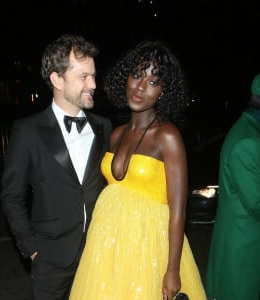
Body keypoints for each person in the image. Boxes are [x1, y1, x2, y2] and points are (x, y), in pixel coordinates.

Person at [69, 40, 206, 300]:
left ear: (164, 92)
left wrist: (173, 270)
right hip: (109, 245)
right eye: (137, 75)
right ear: (126, 78)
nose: (141, 87)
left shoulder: (167, 136)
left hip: (148, 247)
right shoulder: (117, 134)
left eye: (153, 82)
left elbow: (179, 209)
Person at [1, 34, 112, 300]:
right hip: (50, 261)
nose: (93, 84)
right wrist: (31, 248)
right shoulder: (28, 131)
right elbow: (11, 195)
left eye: (94, 76)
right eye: (83, 77)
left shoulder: (104, 127)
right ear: (57, 80)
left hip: (97, 256)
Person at [206, 71, 260, 300]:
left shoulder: (255, 128)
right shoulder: (248, 139)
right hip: (242, 240)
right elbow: (255, 200)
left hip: (245, 234)